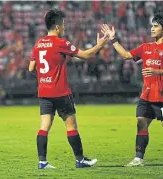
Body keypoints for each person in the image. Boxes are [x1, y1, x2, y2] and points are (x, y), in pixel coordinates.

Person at [101, 11, 163, 166]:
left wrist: (156, 71)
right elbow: (126, 55)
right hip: (146, 95)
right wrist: (113, 39)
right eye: (152, 26)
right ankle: (138, 158)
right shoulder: (146, 47)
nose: (152, 29)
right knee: (141, 123)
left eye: (156, 26)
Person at [28, 9, 109, 169]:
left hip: (44, 92)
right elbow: (85, 55)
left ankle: (42, 162)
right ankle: (80, 160)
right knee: (71, 126)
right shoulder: (61, 42)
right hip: (60, 92)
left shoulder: (38, 44)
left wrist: (45, 77)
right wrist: (100, 44)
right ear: (57, 27)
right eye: (63, 25)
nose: (64, 28)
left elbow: (31, 67)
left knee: (44, 127)